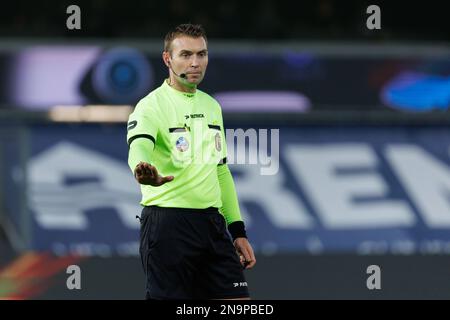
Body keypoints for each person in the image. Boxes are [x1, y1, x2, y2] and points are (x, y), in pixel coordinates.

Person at [127, 23, 256, 300]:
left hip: (211, 224)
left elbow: (220, 171)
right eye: (185, 54)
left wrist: (237, 230)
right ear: (167, 59)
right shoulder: (151, 106)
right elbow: (138, 147)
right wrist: (142, 170)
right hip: (167, 225)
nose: (195, 63)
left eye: (202, 54)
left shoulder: (211, 106)